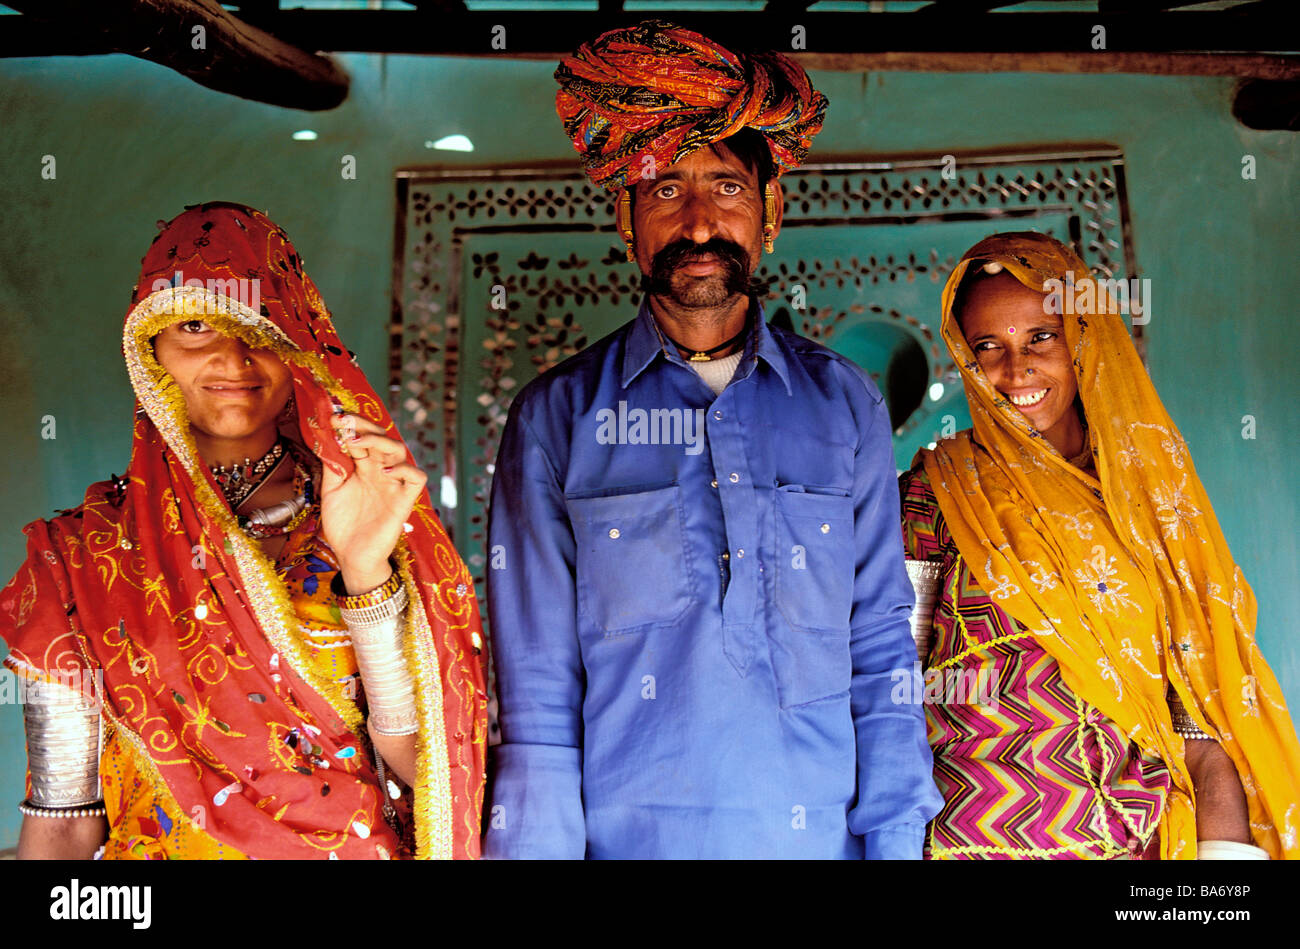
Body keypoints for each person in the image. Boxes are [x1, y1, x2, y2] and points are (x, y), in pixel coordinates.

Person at [483, 20, 942, 859]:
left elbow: (879, 644)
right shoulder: (554, 418)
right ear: (627, 220)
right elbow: (537, 688)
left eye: (727, 188)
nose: (699, 223)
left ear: (770, 213)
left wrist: (897, 839)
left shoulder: (844, 404)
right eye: (665, 190)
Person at [0, 202, 488, 859]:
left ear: (299, 345)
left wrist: (366, 567)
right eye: (196, 325)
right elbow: (61, 821)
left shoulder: (366, 517)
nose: (232, 357)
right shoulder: (83, 557)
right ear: (150, 347)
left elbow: (419, 769)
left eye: (259, 326)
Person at [900, 231, 1300, 859]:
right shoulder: (939, 493)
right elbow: (890, 679)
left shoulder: (1150, 495)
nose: (1017, 369)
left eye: (1041, 337)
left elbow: (1198, 709)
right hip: (966, 838)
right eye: (988, 347)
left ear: (1084, 333)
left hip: (1129, 843)